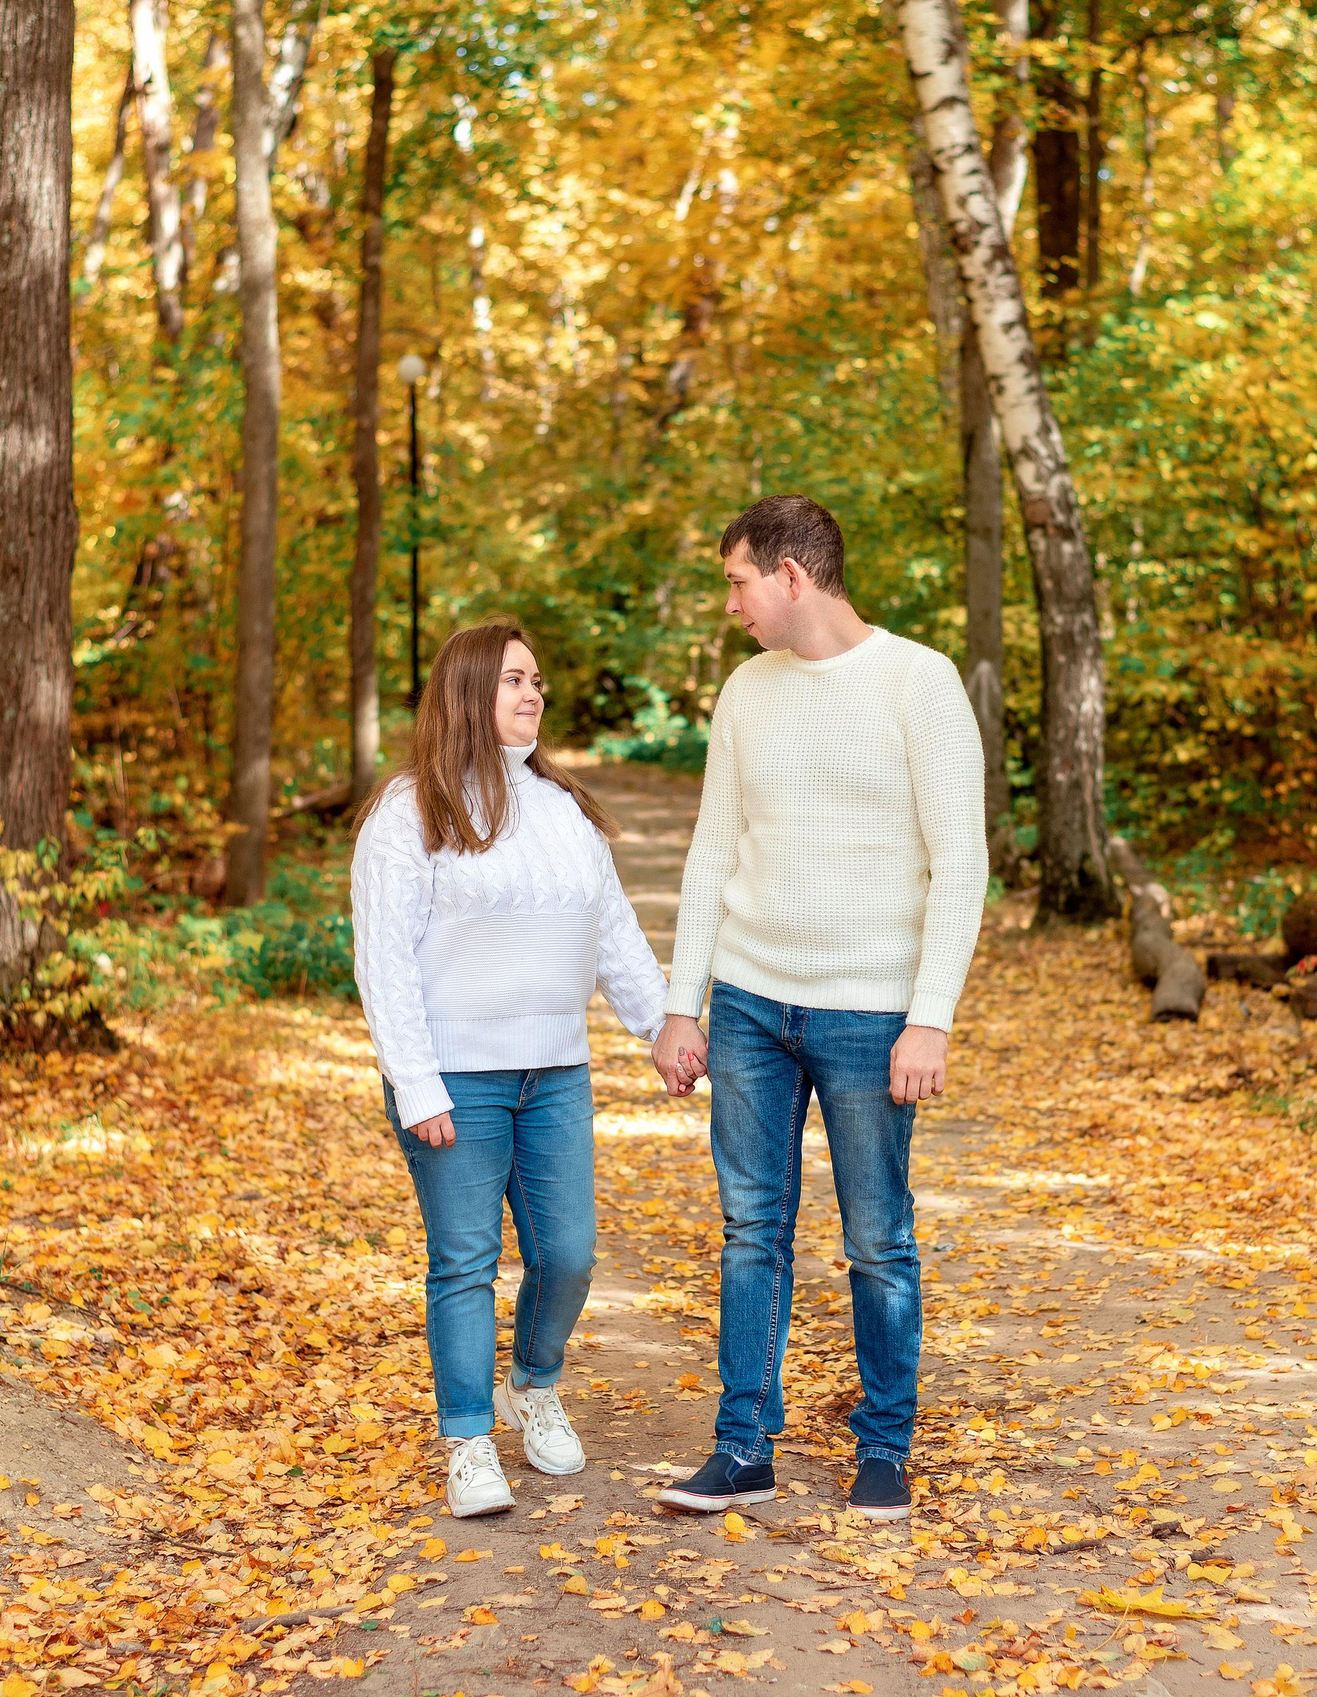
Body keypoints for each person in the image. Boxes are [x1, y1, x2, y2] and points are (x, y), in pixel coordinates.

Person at [650, 494, 987, 1523]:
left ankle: (883, 1446)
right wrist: (682, 1003)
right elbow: (711, 850)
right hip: (750, 1002)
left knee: (876, 1236)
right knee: (752, 1227)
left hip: (869, 1012)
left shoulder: (918, 682)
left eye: (738, 582)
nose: (732, 605)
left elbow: (959, 860)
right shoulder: (745, 693)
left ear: (792, 576)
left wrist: (928, 1015)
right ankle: (741, 1443)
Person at [352, 620, 679, 1519]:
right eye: (511, 681)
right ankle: (467, 1439)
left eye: (537, 680)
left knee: (568, 1255)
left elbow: (611, 931)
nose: (532, 694)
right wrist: (417, 1083)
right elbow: (384, 960)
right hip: (455, 1080)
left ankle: (532, 1384)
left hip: (556, 1075)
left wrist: (661, 1028)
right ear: (465, 693)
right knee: (465, 1261)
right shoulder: (409, 811)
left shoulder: (563, 810)